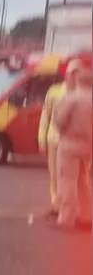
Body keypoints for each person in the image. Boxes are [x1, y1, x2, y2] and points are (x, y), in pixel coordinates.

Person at [52, 61, 93, 232]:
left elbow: (59, 121)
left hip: (69, 143)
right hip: (88, 146)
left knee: (67, 180)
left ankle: (66, 219)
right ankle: (86, 217)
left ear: (78, 81)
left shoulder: (72, 98)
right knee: (83, 181)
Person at [39, 70, 73, 218]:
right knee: (54, 174)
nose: (73, 78)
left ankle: (64, 207)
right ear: (67, 76)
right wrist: (41, 138)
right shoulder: (54, 91)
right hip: (53, 139)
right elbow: (45, 116)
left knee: (68, 177)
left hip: (70, 142)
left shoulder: (82, 94)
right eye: (72, 74)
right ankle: (56, 204)